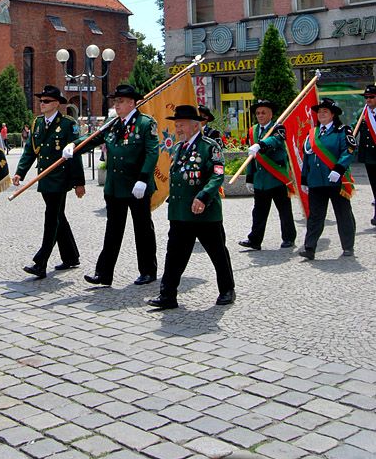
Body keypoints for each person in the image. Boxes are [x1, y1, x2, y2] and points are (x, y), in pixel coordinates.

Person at [149, 104, 235, 310]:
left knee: (217, 252)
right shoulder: (178, 148)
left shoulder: (209, 147)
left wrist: (203, 197)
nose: (177, 129)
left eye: (181, 125)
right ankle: (168, 295)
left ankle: (227, 290)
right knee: (174, 255)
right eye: (176, 125)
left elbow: (217, 175)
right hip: (180, 213)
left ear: (195, 126)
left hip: (205, 213)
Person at [79, 83, 158, 287]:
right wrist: (73, 147)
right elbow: (92, 140)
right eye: (115, 101)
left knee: (143, 229)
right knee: (113, 230)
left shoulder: (145, 123)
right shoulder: (112, 125)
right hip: (115, 188)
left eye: (121, 101)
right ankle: (104, 273)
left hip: (136, 186)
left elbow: (152, 153)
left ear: (132, 103)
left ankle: (148, 271)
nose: (117, 105)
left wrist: (143, 179)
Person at [12, 85, 85, 278]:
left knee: (51, 218)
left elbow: (75, 154)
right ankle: (71, 256)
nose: (41, 104)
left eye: (45, 101)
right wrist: (20, 172)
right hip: (44, 177)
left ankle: (40, 262)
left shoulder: (68, 124)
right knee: (58, 216)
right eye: (40, 101)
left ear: (56, 104)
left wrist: (79, 182)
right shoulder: (37, 123)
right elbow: (30, 150)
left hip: (60, 179)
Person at [299, 98, 356, 260]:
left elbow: (349, 150)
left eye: (325, 111)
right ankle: (310, 248)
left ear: (333, 114)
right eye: (320, 111)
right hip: (316, 181)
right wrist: (304, 179)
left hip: (336, 180)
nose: (321, 114)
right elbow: (307, 158)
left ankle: (348, 246)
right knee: (315, 216)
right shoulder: (312, 133)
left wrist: (338, 169)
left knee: (343, 213)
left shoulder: (342, 130)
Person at [238, 99, 296, 251]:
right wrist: (250, 178)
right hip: (261, 179)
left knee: (284, 210)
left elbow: (276, 140)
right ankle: (255, 240)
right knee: (258, 211)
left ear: (271, 113)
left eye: (264, 112)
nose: (260, 115)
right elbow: (251, 157)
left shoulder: (278, 127)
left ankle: (289, 238)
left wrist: (261, 145)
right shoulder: (253, 130)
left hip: (277, 177)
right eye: (258, 113)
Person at [355, 84, 376, 226]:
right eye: (366, 97)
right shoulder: (362, 113)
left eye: (371, 97)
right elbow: (353, 128)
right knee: (374, 185)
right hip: (369, 156)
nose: (368, 100)